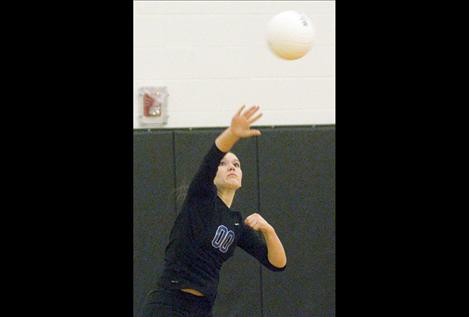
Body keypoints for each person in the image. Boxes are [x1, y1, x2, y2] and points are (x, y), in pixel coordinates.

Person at [142, 105, 287, 317]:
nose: (232, 167)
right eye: (224, 164)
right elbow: (212, 156)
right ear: (213, 174)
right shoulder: (200, 198)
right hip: (168, 303)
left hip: (202, 308)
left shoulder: (236, 223)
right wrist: (233, 133)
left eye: (237, 164)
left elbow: (277, 263)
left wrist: (269, 230)